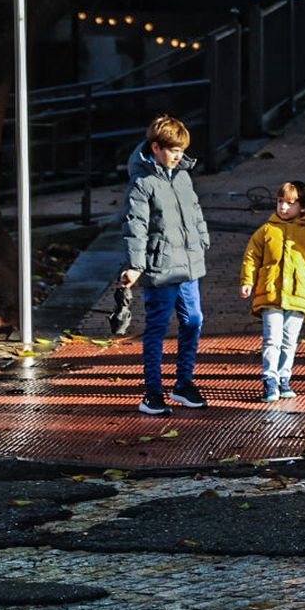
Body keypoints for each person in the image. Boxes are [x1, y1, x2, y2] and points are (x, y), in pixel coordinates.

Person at [117, 114, 211, 416]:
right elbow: (136, 226)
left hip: (188, 265)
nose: (178, 156)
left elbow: (195, 211)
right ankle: (153, 392)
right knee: (157, 328)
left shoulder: (182, 176)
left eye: (181, 151)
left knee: (193, 321)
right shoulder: (142, 182)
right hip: (160, 267)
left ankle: (183, 383)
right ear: (156, 148)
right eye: (173, 150)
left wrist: (202, 240)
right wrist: (135, 265)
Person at [239, 180, 305, 402]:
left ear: (302, 207)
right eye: (280, 201)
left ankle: (284, 378)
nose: (283, 207)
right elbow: (251, 257)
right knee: (271, 339)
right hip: (270, 295)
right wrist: (247, 281)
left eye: (290, 203)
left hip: (298, 296)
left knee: (289, 341)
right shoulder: (266, 231)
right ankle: (270, 379)